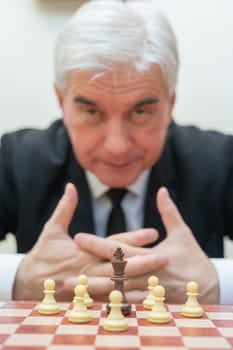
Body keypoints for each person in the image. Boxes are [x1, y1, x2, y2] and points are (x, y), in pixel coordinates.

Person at [0, 0, 232, 304]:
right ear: (61, 102)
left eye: (140, 112)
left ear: (170, 105)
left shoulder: (218, 160)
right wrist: (18, 277)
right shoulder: (17, 160)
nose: (117, 145)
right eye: (91, 111)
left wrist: (216, 282)